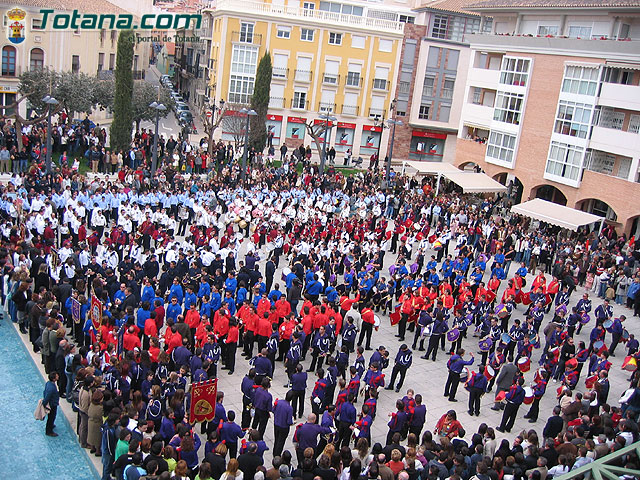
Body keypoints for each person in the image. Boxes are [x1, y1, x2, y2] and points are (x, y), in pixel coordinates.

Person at [43, 371, 60, 437]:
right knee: (51, 417)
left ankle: (51, 425)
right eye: (56, 376)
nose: (58, 376)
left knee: (52, 416)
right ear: (54, 379)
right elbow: (47, 396)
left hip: (52, 403)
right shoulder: (51, 388)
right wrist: (44, 404)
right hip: (52, 404)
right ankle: (49, 431)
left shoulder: (48, 383)